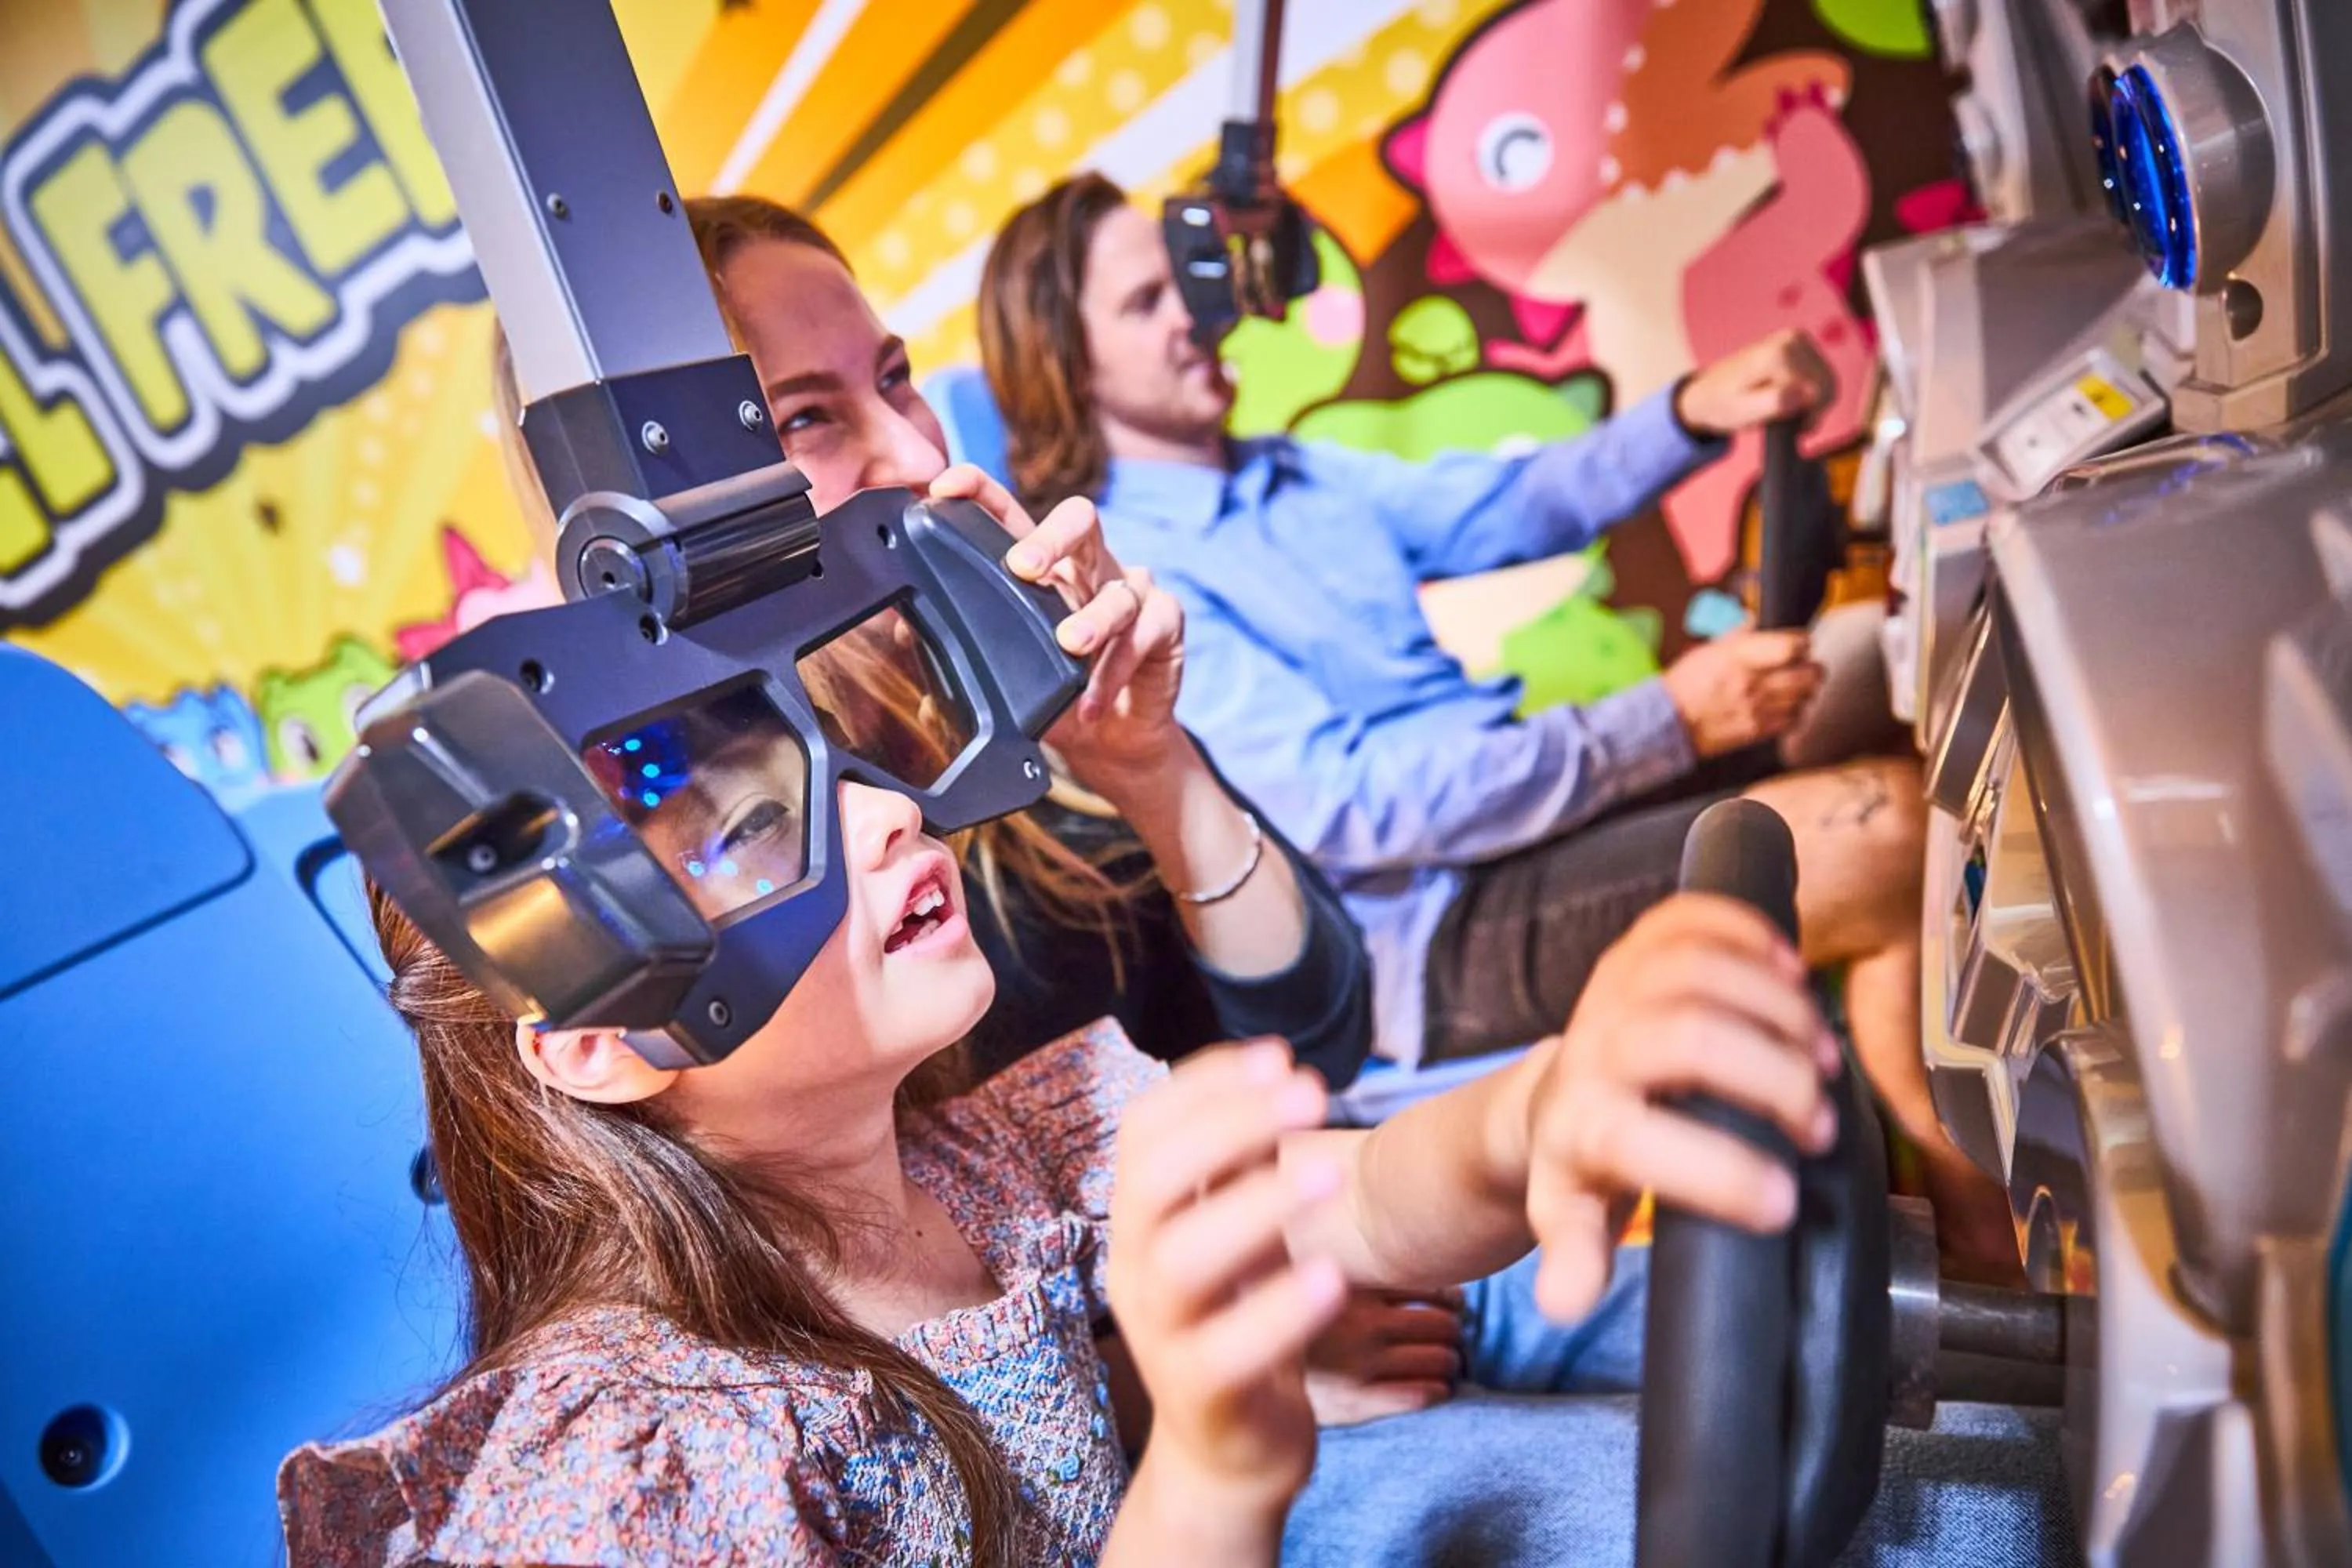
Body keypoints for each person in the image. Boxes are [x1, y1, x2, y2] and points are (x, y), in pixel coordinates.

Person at [278, 601, 1846, 1560]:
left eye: (837, 771)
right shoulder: (637, 1484)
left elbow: (1357, 1200)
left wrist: (1541, 1108)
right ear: (608, 1041)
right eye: (759, 832)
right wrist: (1221, 1472)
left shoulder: (1001, 1142)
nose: (890, 821)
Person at [978, 173, 2016, 1279]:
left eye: (1189, 280)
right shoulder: (1138, 569)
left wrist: (1688, 413)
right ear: (1064, 362)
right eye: (1146, 302)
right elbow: (1362, 808)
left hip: (1512, 835)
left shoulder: (1288, 471)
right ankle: (1986, 1257)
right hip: (1432, 936)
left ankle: (1936, 1168)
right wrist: (1666, 719)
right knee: (1895, 830)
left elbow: (1507, 507)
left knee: (1861, 666)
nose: (1197, 310)